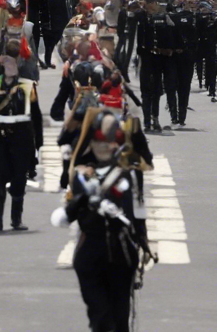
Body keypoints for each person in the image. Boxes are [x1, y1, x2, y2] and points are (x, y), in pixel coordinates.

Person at [52, 109, 153, 332]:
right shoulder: (82, 175)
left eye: (110, 140)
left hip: (122, 251)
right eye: (98, 141)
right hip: (91, 251)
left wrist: (143, 242)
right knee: (100, 317)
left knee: (120, 316)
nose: (104, 145)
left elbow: (138, 211)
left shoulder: (130, 172)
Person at [0, 41, 43, 231]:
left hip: (22, 137)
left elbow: (36, 117)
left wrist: (38, 145)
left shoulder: (28, 86)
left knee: (19, 179)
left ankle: (16, 219)